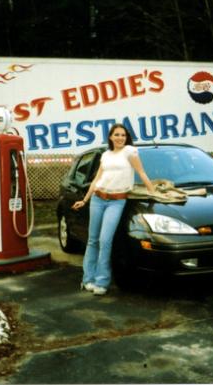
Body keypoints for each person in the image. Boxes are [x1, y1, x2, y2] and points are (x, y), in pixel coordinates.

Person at [72, 124, 155, 296]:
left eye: (123, 135)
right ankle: (87, 279)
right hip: (97, 198)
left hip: (117, 201)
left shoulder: (130, 152)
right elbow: (96, 179)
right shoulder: (106, 155)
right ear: (110, 137)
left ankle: (102, 282)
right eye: (116, 135)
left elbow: (141, 172)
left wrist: (153, 193)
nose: (120, 138)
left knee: (105, 240)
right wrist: (85, 199)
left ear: (126, 138)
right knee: (92, 240)